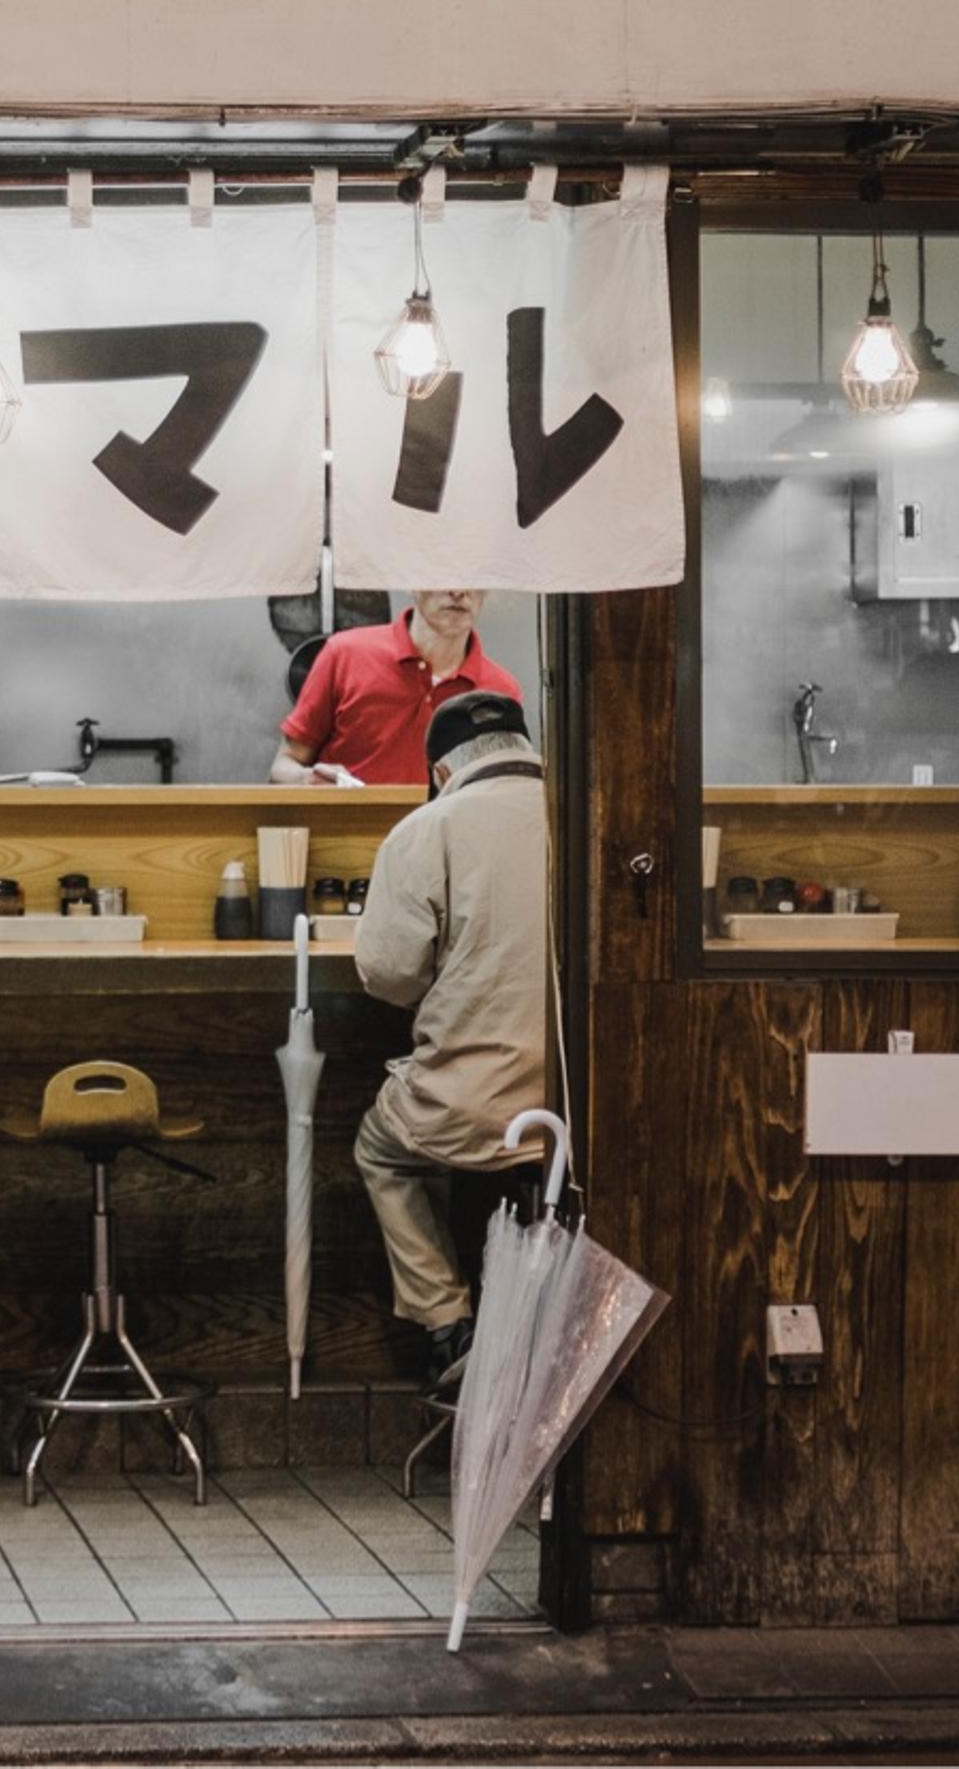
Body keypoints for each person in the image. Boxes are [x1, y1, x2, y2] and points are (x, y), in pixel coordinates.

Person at [350, 690, 551, 1393]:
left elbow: (388, 977)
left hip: (468, 1107)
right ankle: (544, 1328)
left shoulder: (427, 829)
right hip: (577, 1110)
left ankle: (450, 1324)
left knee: (386, 1150)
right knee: (553, 1173)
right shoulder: (589, 813)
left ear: (441, 771)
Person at [274, 589, 521, 786]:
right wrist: (305, 779)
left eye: (473, 577)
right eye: (442, 573)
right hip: (351, 839)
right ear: (411, 582)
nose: (458, 591)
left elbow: (506, 790)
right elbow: (282, 767)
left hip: (449, 844)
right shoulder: (344, 655)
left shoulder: (500, 690)